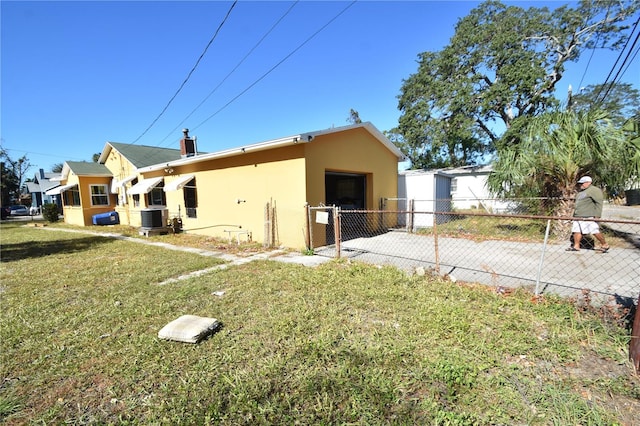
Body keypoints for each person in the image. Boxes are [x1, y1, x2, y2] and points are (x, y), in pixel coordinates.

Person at [567, 176, 610, 252]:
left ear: (588, 183)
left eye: (582, 183)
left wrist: (597, 215)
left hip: (588, 215)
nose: (581, 185)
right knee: (576, 230)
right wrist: (573, 215)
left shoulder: (594, 190)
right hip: (578, 215)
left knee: (594, 230)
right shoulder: (581, 192)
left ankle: (605, 244)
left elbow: (599, 203)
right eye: (580, 183)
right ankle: (576, 246)